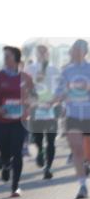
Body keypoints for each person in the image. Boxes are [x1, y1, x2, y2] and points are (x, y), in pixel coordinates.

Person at [0, 46, 35, 197]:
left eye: (8, 56)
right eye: (4, 56)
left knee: (17, 151)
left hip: (20, 121)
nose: (5, 59)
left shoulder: (26, 77)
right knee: (5, 151)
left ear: (16, 59)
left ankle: (15, 186)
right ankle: (6, 165)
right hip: (1, 120)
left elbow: (34, 96)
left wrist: (28, 107)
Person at [52, 39, 90, 199]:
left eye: (77, 49)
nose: (73, 52)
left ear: (84, 52)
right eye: (73, 49)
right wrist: (56, 99)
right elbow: (59, 91)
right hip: (72, 115)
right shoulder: (66, 71)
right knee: (76, 149)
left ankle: (87, 163)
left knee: (86, 151)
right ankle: (82, 186)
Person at [28, 44, 61, 179]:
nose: (42, 55)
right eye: (39, 52)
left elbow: (61, 88)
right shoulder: (30, 69)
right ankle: (40, 152)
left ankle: (48, 167)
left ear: (48, 54)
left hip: (51, 108)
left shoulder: (55, 69)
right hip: (36, 108)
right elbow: (25, 86)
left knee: (51, 140)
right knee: (38, 138)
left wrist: (58, 102)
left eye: (44, 52)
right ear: (36, 54)